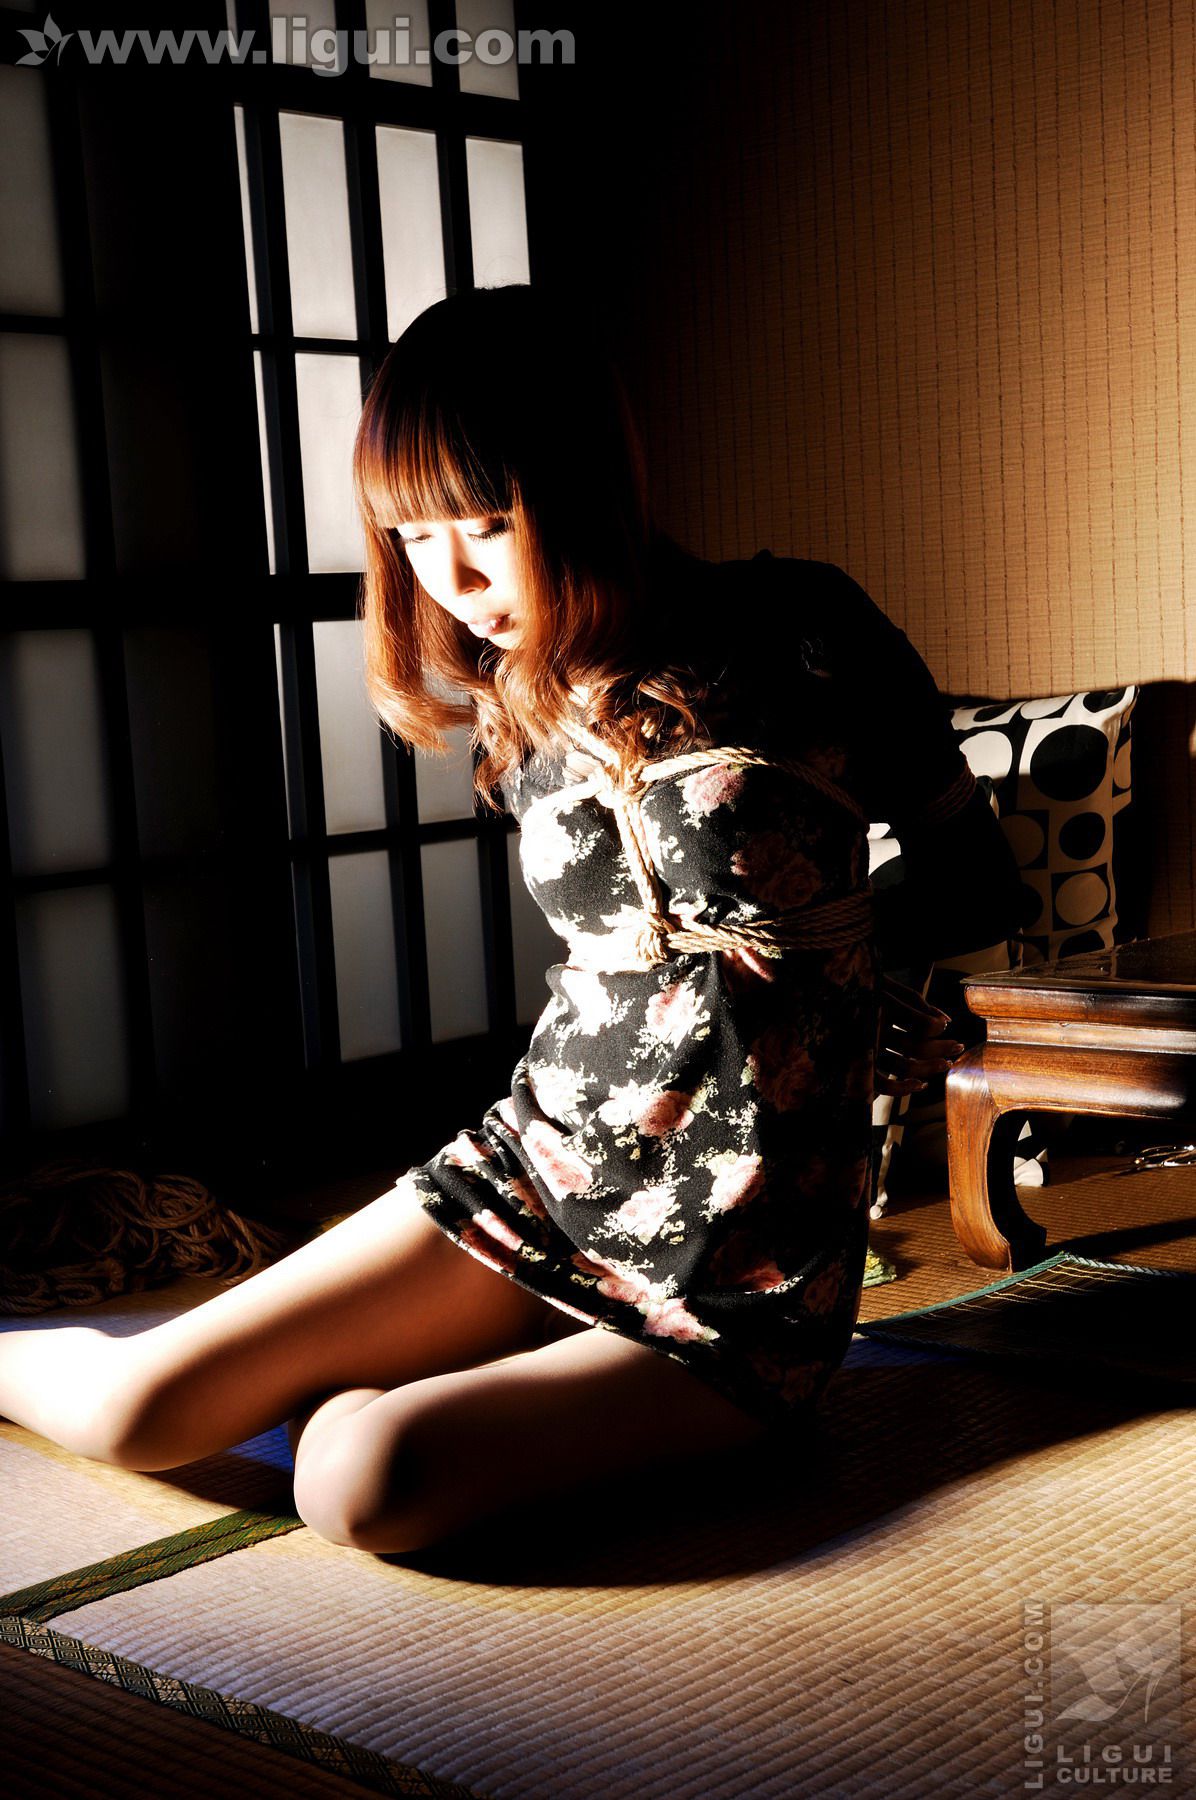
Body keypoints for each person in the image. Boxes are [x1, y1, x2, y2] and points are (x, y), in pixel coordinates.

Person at [0, 285, 1023, 1555]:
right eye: (414, 536)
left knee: (362, 1481)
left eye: (487, 524)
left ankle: (452, 1397)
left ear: (584, 488)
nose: (455, 578)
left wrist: (864, 977)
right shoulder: (519, 690)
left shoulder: (804, 629)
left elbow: (974, 880)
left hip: (736, 1262)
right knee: (141, 1410)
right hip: (537, 1171)